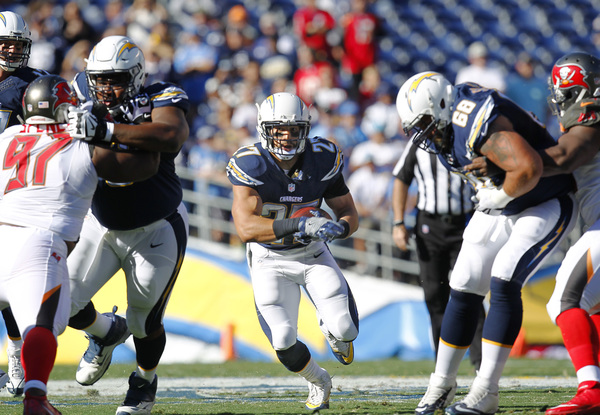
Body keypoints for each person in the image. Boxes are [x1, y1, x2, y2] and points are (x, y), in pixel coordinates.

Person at [396, 71, 578, 415]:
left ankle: (486, 390)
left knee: (504, 279)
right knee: (463, 282)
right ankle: (441, 383)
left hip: (543, 200)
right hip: (502, 201)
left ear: (443, 106)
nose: (424, 134)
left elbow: (528, 168)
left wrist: (499, 193)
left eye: (424, 124)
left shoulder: (470, 119)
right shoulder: (447, 126)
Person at [0, 74, 158, 415]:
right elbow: (142, 167)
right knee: (41, 326)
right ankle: (35, 399)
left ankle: (104, 332)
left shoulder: (8, 136)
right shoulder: (80, 142)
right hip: (38, 243)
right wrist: (113, 132)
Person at [465, 52, 600, 415]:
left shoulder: (592, 123)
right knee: (592, 303)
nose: (561, 104)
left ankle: (592, 389)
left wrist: (508, 163)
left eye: (565, 94)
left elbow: (566, 157)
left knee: (563, 302)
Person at [64, 35, 190, 414]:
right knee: (62, 301)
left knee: (144, 321)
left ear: (136, 76)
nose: (106, 87)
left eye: (116, 79)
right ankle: (105, 332)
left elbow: (170, 135)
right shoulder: (79, 92)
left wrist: (105, 131)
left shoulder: (162, 96)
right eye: (99, 79)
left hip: (157, 227)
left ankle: (144, 381)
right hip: (100, 222)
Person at [226, 92, 360, 411]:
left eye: (294, 129)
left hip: (312, 252)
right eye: (279, 129)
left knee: (346, 329)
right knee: (283, 338)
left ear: (306, 129)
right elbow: (246, 229)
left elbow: (348, 212)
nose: (287, 136)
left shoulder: (323, 157)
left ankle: (330, 328)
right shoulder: (251, 163)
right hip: (268, 257)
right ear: (264, 129)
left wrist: (338, 229)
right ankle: (318, 380)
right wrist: (299, 224)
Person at [391, 140, 484, 369]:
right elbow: (401, 178)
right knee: (435, 296)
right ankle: (442, 366)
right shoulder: (418, 143)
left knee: (471, 291)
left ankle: (481, 364)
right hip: (429, 227)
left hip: (465, 223)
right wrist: (398, 222)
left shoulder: (465, 136)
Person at [0, 10, 51, 397]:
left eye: (17, 44)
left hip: (16, 192)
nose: (11, 50)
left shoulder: (34, 84)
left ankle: (17, 351)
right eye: (5, 43)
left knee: (9, 279)